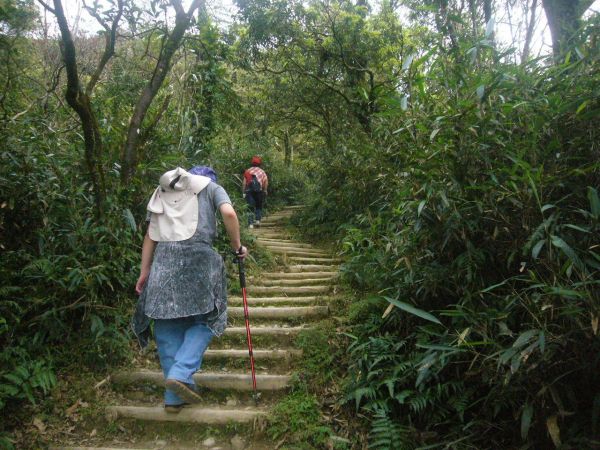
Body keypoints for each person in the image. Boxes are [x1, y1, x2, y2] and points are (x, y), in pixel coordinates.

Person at [132, 166, 247, 413]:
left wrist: (144, 271)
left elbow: (150, 235)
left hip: (164, 262)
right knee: (207, 318)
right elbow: (228, 213)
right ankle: (182, 372)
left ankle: (173, 397)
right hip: (200, 262)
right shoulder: (212, 187)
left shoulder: (163, 191)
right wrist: (237, 247)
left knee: (166, 325)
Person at [242, 155, 268, 228]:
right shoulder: (262, 172)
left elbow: (244, 183)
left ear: (252, 163)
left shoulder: (248, 171)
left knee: (250, 207)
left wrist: (244, 192)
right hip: (259, 191)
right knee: (258, 205)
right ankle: (258, 220)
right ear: (259, 163)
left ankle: (250, 224)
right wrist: (265, 190)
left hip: (249, 191)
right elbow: (265, 181)